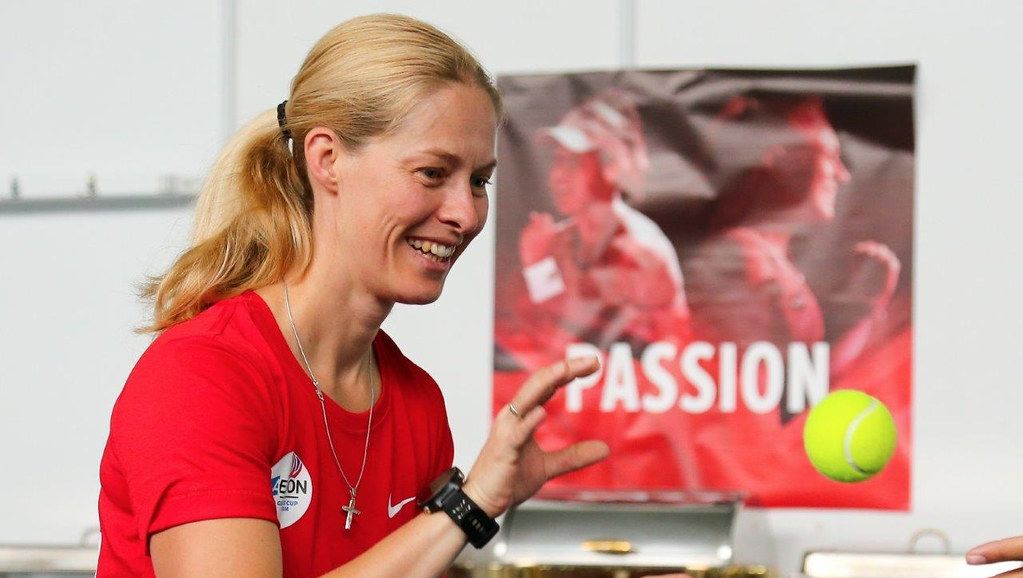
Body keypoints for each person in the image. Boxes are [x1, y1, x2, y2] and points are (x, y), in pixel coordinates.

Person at [96, 14, 613, 577]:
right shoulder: (203, 376)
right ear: (327, 160)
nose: (465, 214)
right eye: (432, 172)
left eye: (478, 181)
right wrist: (469, 507)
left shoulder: (416, 403)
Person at [684, 95, 901, 416]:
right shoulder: (740, 258)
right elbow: (765, 407)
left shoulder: (760, 256)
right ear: (778, 158)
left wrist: (862, 310)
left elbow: (799, 393)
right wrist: (862, 310)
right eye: (830, 156)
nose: (842, 174)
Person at [502, 89, 690, 369]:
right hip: (573, 392)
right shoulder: (555, 243)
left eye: (573, 162)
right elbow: (537, 344)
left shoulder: (644, 253)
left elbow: (562, 338)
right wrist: (537, 265)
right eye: (557, 160)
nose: (557, 176)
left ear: (611, 167)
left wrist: (538, 265)